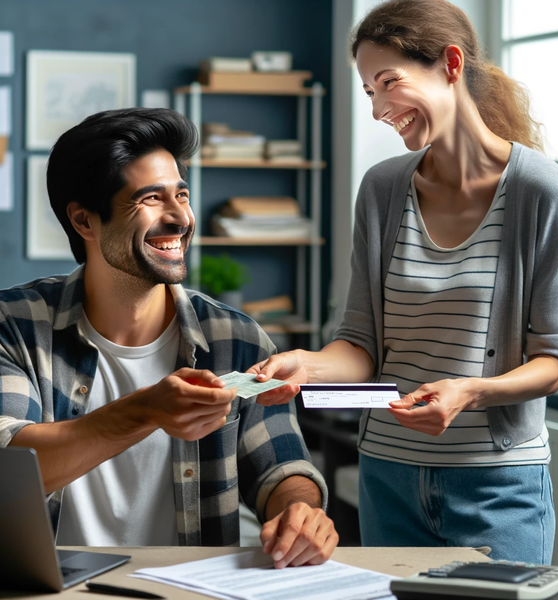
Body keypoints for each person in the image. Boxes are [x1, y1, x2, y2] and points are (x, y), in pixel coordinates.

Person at [249, 0, 558, 564]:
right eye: (368, 92)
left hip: (498, 483)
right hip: (389, 476)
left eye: (388, 83)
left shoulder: (541, 191)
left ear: (450, 64)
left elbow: (552, 361)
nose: (379, 108)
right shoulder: (381, 190)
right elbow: (360, 347)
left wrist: (470, 390)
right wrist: (307, 365)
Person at [0, 107, 338, 568]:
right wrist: (146, 411)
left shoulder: (235, 338)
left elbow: (281, 466)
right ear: (84, 221)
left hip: (192, 589)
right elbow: (9, 467)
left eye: (181, 194)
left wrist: (300, 511)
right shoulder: (14, 326)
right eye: (151, 199)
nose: (180, 217)